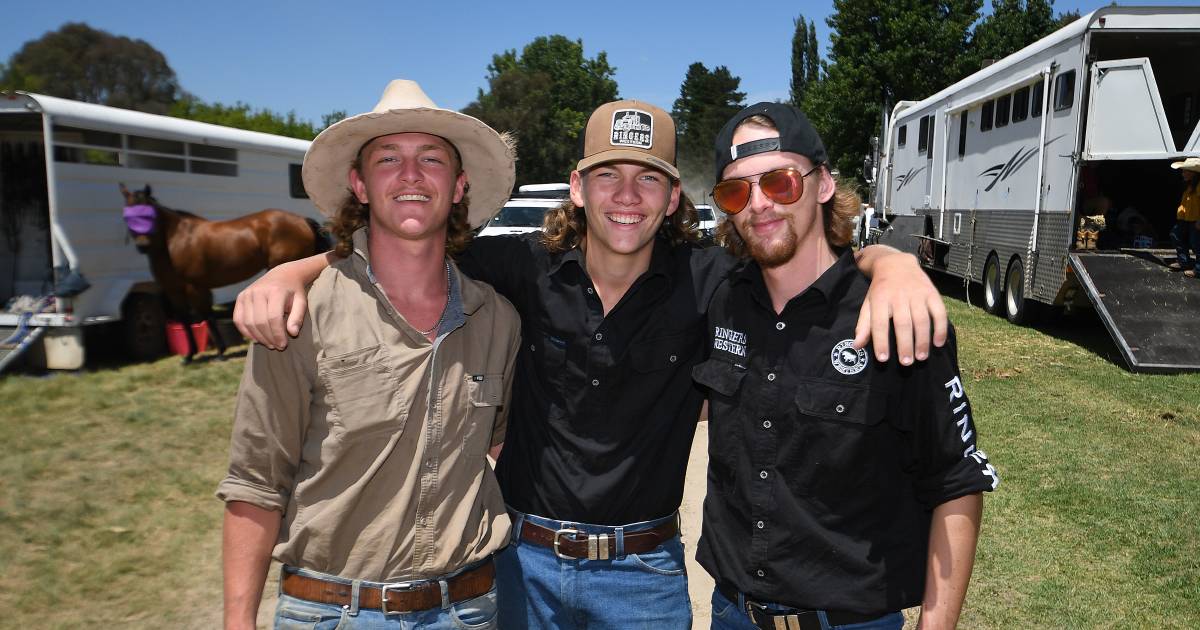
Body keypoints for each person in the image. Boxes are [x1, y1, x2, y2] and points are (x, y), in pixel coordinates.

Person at [232, 100, 948, 629]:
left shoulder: (710, 281)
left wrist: (893, 266)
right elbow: (405, 239)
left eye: (648, 179)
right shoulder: (520, 267)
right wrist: (299, 268)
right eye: (608, 175)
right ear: (577, 187)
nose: (626, 196)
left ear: (674, 198)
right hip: (522, 567)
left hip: (644, 577)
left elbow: (806, 263)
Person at [215, 79, 521, 629]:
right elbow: (256, 485)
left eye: (431, 158)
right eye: (388, 159)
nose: (410, 175)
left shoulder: (496, 319)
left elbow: (498, 444)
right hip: (333, 614)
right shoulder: (298, 313)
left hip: (468, 611)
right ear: (359, 184)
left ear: (458, 186)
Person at [696, 102, 999, 630]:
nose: (759, 205)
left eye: (780, 182)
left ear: (824, 184)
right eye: (736, 191)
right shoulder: (720, 299)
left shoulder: (894, 314)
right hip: (733, 615)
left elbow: (956, 482)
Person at [1168, 157, 1200, 278]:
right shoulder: (1189, 185)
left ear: (1193, 173)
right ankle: (1184, 261)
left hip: (1195, 220)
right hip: (1186, 219)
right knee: (1175, 235)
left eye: (1185, 171)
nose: (1183, 173)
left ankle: (1198, 270)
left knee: (1197, 244)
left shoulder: (1199, 185)